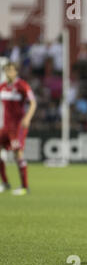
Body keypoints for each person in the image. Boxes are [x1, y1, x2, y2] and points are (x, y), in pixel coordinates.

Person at [0, 62, 37, 195]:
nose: (8, 73)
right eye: (6, 70)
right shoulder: (2, 87)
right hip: (5, 127)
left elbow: (33, 102)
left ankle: (24, 187)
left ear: (16, 72)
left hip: (17, 127)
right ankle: (5, 183)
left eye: (11, 70)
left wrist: (27, 118)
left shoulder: (22, 85)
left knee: (18, 154)